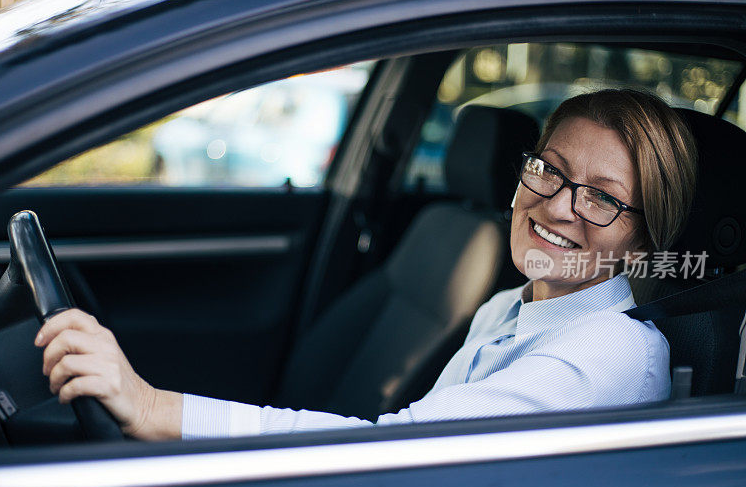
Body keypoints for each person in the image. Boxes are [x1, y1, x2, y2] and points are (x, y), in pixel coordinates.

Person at [35, 89, 697, 440]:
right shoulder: (510, 308)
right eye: (549, 169)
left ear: (644, 238)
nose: (558, 204)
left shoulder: (609, 350)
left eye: (605, 197)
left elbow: (397, 450)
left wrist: (153, 406)